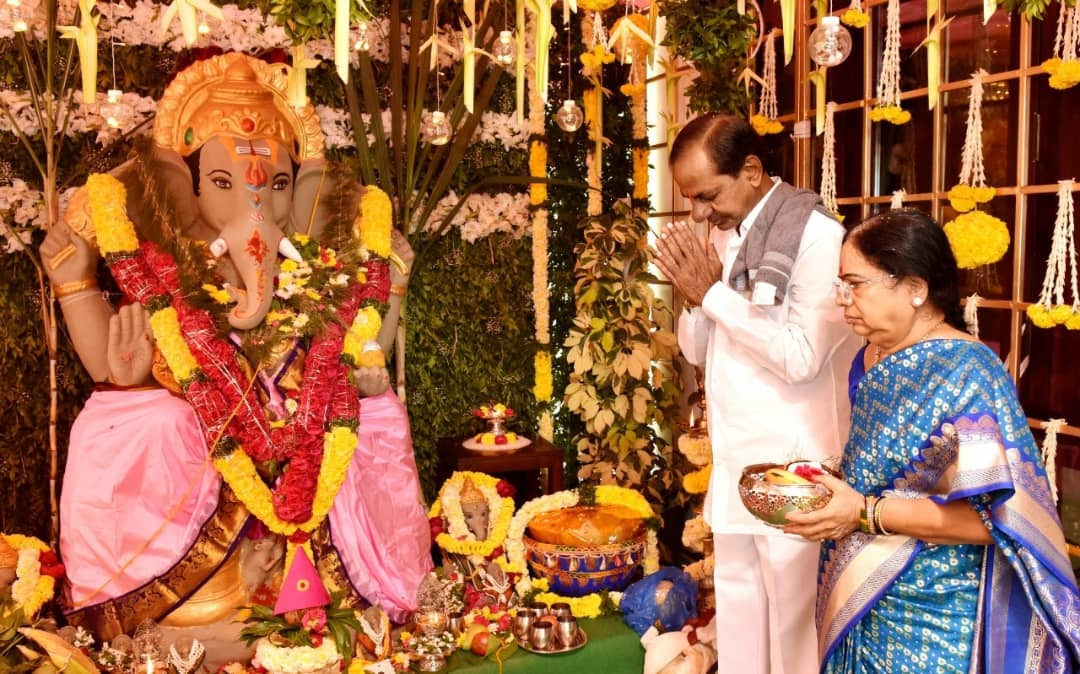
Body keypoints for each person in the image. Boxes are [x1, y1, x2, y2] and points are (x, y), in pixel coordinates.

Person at [38, 53, 432, 656]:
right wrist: (78, 292)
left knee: (372, 415)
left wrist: (392, 287)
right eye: (224, 182)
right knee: (150, 419)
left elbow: (359, 349)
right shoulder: (163, 268)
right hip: (206, 453)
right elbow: (111, 367)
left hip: (301, 433)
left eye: (276, 186)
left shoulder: (312, 271)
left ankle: (336, 589)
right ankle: (195, 605)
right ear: (188, 190)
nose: (259, 204)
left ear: (297, 195)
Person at [784, 208, 1080, 673]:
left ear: (916, 289)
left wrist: (863, 512)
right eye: (841, 286)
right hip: (864, 597)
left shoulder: (968, 372)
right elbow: (886, 471)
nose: (843, 301)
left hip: (935, 615)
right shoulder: (872, 357)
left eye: (855, 284)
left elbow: (994, 521)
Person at [654, 113, 860, 674]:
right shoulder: (726, 233)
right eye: (691, 199)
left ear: (751, 170)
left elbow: (801, 356)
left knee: (794, 628)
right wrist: (698, 298)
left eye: (707, 195)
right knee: (740, 614)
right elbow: (699, 352)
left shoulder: (818, 238)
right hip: (735, 457)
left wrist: (713, 294)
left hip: (795, 463)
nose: (700, 211)